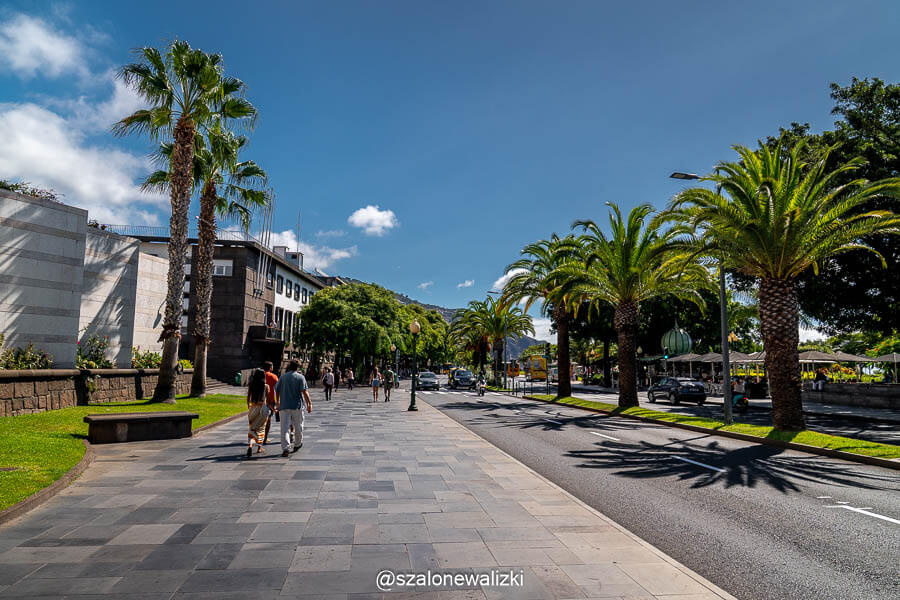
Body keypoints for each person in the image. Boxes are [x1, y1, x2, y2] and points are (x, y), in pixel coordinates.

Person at [274, 359, 312, 457]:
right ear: (298, 367)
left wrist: (277, 401)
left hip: (284, 406)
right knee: (299, 426)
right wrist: (309, 404)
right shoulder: (300, 377)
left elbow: (277, 390)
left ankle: (285, 448)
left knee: (284, 428)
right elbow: (305, 392)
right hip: (297, 406)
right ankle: (297, 444)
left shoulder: (283, 377)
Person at [245, 369, 270, 458]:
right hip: (261, 409)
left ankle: (250, 445)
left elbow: (248, 398)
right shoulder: (266, 386)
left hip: (252, 409)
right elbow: (267, 399)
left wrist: (249, 407)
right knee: (261, 428)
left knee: (252, 429)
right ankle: (259, 447)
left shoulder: (251, 385)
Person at [262, 361, 279, 445]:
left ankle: (258, 437)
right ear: (270, 367)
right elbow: (278, 389)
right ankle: (265, 438)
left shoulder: (259, 375)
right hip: (270, 400)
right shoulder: (273, 376)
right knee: (268, 419)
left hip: (259, 400)